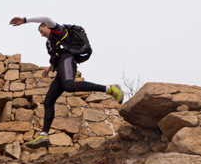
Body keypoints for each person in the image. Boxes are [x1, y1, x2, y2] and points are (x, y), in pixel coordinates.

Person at [9, 16, 124, 149]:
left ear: (47, 26)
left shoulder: (58, 31)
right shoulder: (51, 42)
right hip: (61, 65)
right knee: (48, 101)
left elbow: (46, 17)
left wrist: (24, 20)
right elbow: (57, 55)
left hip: (68, 60)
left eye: (42, 31)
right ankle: (44, 135)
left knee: (69, 86)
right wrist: (50, 67)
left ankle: (110, 89)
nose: (41, 34)